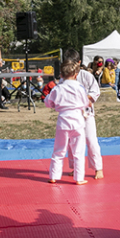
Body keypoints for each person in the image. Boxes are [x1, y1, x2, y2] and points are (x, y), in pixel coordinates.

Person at [45, 60, 90, 185]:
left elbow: (48, 102)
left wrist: (55, 105)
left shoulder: (57, 88)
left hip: (63, 120)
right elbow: (85, 103)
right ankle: (79, 178)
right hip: (77, 120)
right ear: (76, 75)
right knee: (78, 151)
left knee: (59, 149)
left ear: (61, 75)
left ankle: (53, 176)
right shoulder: (80, 88)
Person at [63, 48, 104, 180]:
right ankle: (76, 167)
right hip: (71, 114)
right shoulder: (64, 77)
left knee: (91, 140)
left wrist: (86, 99)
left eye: (73, 64)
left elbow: (95, 92)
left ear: (79, 62)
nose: (70, 67)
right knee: (72, 142)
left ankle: (98, 168)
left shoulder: (87, 76)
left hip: (86, 113)